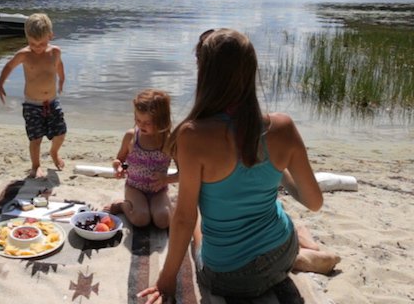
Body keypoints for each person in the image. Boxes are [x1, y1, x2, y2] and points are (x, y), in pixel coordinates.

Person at [138, 29, 339, 303]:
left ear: (205, 74)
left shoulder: (192, 135)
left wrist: (166, 279)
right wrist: (276, 169)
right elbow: (314, 202)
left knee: (192, 220)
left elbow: (184, 219)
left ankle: (304, 258)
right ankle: (302, 256)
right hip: (282, 249)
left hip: (228, 277)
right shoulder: (283, 127)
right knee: (273, 214)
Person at [0, 13, 66, 178]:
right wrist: (0, 83)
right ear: (27, 37)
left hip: (52, 101)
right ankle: (36, 166)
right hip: (32, 104)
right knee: (35, 138)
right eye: (32, 43)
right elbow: (9, 66)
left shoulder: (55, 52)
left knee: (61, 132)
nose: (37, 47)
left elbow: (59, 66)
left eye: (41, 43)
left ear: (50, 35)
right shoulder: (24, 54)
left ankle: (54, 152)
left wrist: (62, 79)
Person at [104, 89, 177, 229]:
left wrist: (166, 179)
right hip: (134, 187)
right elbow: (120, 160)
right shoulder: (131, 137)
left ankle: (169, 203)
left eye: (147, 122)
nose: (141, 125)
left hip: (159, 190)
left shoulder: (169, 141)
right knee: (141, 219)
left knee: (163, 221)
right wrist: (118, 167)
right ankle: (121, 205)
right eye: (138, 120)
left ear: (161, 121)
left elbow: (184, 172)